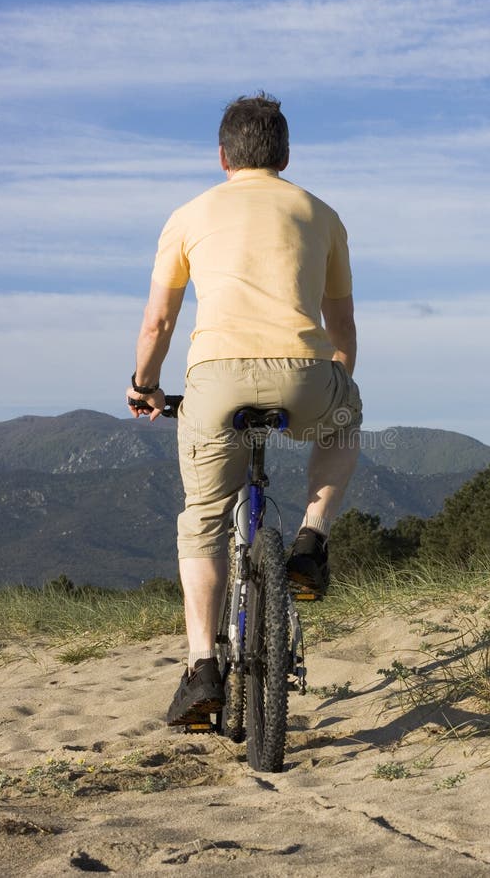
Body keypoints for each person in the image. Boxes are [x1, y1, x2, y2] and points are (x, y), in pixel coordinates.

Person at [126, 93, 362, 726]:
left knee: (203, 518)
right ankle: (311, 538)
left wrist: (144, 385)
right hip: (305, 373)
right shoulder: (321, 214)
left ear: (223, 156)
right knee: (346, 419)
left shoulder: (189, 215)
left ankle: (202, 665)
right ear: (284, 155)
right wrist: (333, 385)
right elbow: (342, 327)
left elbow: (158, 323)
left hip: (216, 381)